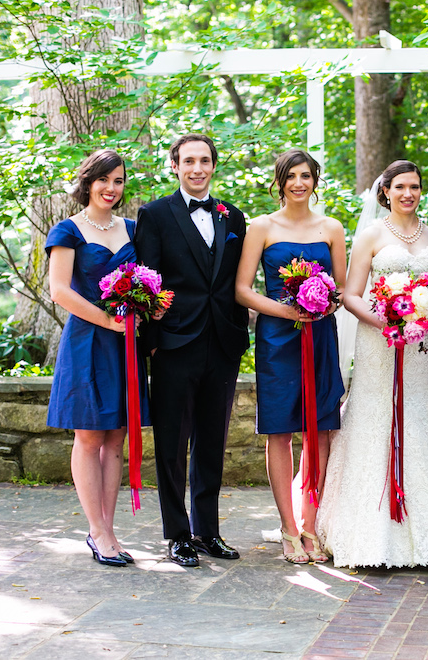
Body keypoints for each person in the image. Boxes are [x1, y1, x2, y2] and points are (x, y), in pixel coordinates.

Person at [317, 160, 428, 568]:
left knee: (418, 416)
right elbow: (351, 293)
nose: (408, 194)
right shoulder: (371, 235)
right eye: (400, 186)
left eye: (414, 186)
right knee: (376, 418)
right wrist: (386, 319)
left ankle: (424, 535)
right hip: (379, 342)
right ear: (386, 191)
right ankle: (368, 532)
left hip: (421, 347)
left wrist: (425, 314)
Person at [134, 134, 250, 567]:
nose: (197, 168)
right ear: (175, 165)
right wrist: (151, 342)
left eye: (204, 161)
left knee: (212, 442)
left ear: (213, 166)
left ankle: (208, 530)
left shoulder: (232, 216)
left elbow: (237, 280)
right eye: (189, 161)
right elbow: (147, 281)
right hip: (174, 344)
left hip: (222, 342)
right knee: (171, 443)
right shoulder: (155, 214)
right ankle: (177, 534)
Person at [234, 149, 346, 564]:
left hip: (319, 336)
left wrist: (321, 306)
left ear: (315, 181)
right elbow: (243, 289)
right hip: (278, 338)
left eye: (306, 176)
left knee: (318, 430)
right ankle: (287, 527)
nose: (299, 183)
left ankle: (311, 525)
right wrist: (287, 310)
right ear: (279, 181)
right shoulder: (262, 227)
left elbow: (341, 289)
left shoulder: (332, 228)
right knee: (279, 430)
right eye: (291, 176)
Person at [46, 149, 148, 567]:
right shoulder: (68, 230)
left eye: (119, 181)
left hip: (127, 343)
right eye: (104, 180)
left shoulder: (133, 229)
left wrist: (149, 305)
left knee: (116, 436)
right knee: (89, 436)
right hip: (89, 339)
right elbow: (60, 291)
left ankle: (110, 526)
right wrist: (108, 322)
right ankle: (97, 530)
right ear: (88, 182)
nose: (111, 188)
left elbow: (146, 282)